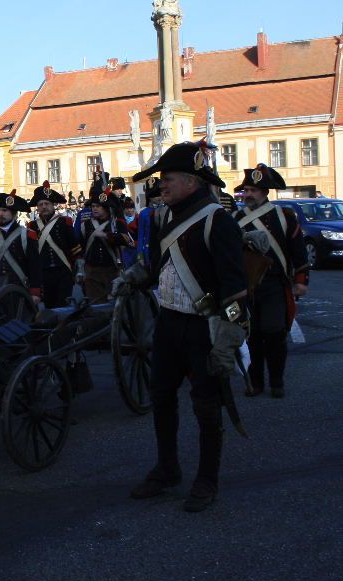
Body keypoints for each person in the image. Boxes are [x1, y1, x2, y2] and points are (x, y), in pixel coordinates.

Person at [117, 141, 248, 512]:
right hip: (169, 323)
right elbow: (158, 267)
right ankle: (167, 468)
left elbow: (235, 289)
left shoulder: (216, 221)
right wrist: (134, 277)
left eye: (168, 179)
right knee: (161, 399)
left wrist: (229, 337)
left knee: (207, 407)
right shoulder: (163, 218)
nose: (162, 186)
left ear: (191, 181)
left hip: (204, 328)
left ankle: (207, 479)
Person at [234, 164, 309, 398]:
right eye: (246, 190)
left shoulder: (284, 217)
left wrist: (301, 280)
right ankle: (256, 383)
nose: (248, 195)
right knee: (252, 335)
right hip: (247, 287)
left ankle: (277, 381)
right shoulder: (236, 218)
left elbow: (299, 251)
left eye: (253, 191)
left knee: (275, 333)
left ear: (265, 192)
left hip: (275, 284)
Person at [0, 190, 42, 306]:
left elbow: (34, 266)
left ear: (14, 213)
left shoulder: (27, 235)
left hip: (20, 290)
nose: (0, 214)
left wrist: (35, 292)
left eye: (5, 211)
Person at [74, 177, 132, 302]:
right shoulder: (86, 224)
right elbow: (80, 246)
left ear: (106, 208)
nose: (94, 209)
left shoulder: (116, 223)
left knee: (114, 307)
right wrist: (80, 270)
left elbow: (125, 240)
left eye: (98, 206)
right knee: (96, 308)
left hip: (112, 270)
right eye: (93, 206)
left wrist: (107, 236)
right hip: (92, 272)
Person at [27, 181, 80, 308]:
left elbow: (75, 248)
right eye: (41, 204)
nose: (44, 206)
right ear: (37, 208)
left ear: (53, 205)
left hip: (63, 272)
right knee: (49, 307)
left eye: (47, 204)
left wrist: (79, 270)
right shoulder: (32, 226)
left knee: (63, 306)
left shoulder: (65, 222)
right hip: (43, 273)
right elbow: (31, 253)